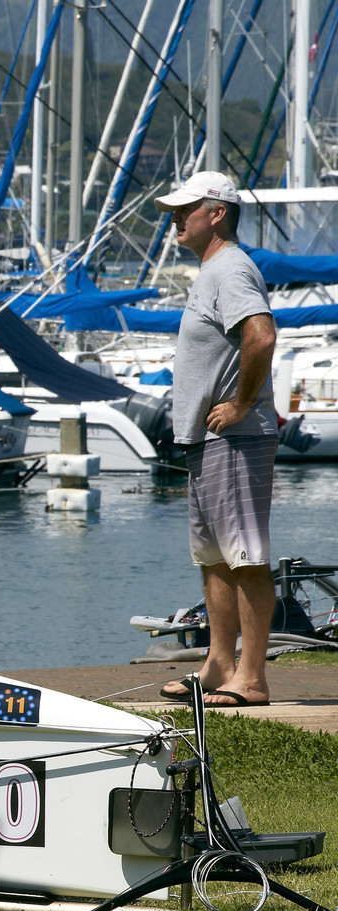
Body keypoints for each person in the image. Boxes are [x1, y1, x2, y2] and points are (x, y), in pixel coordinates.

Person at [153, 172, 279, 708]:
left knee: (245, 557)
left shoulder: (230, 268)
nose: (176, 218)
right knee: (213, 558)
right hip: (207, 442)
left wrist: (243, 404)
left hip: (237, 439)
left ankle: (251, 678)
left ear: (218, 213)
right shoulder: (211, 271)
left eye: (186, 209)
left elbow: (261, 334)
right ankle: (218, 665)